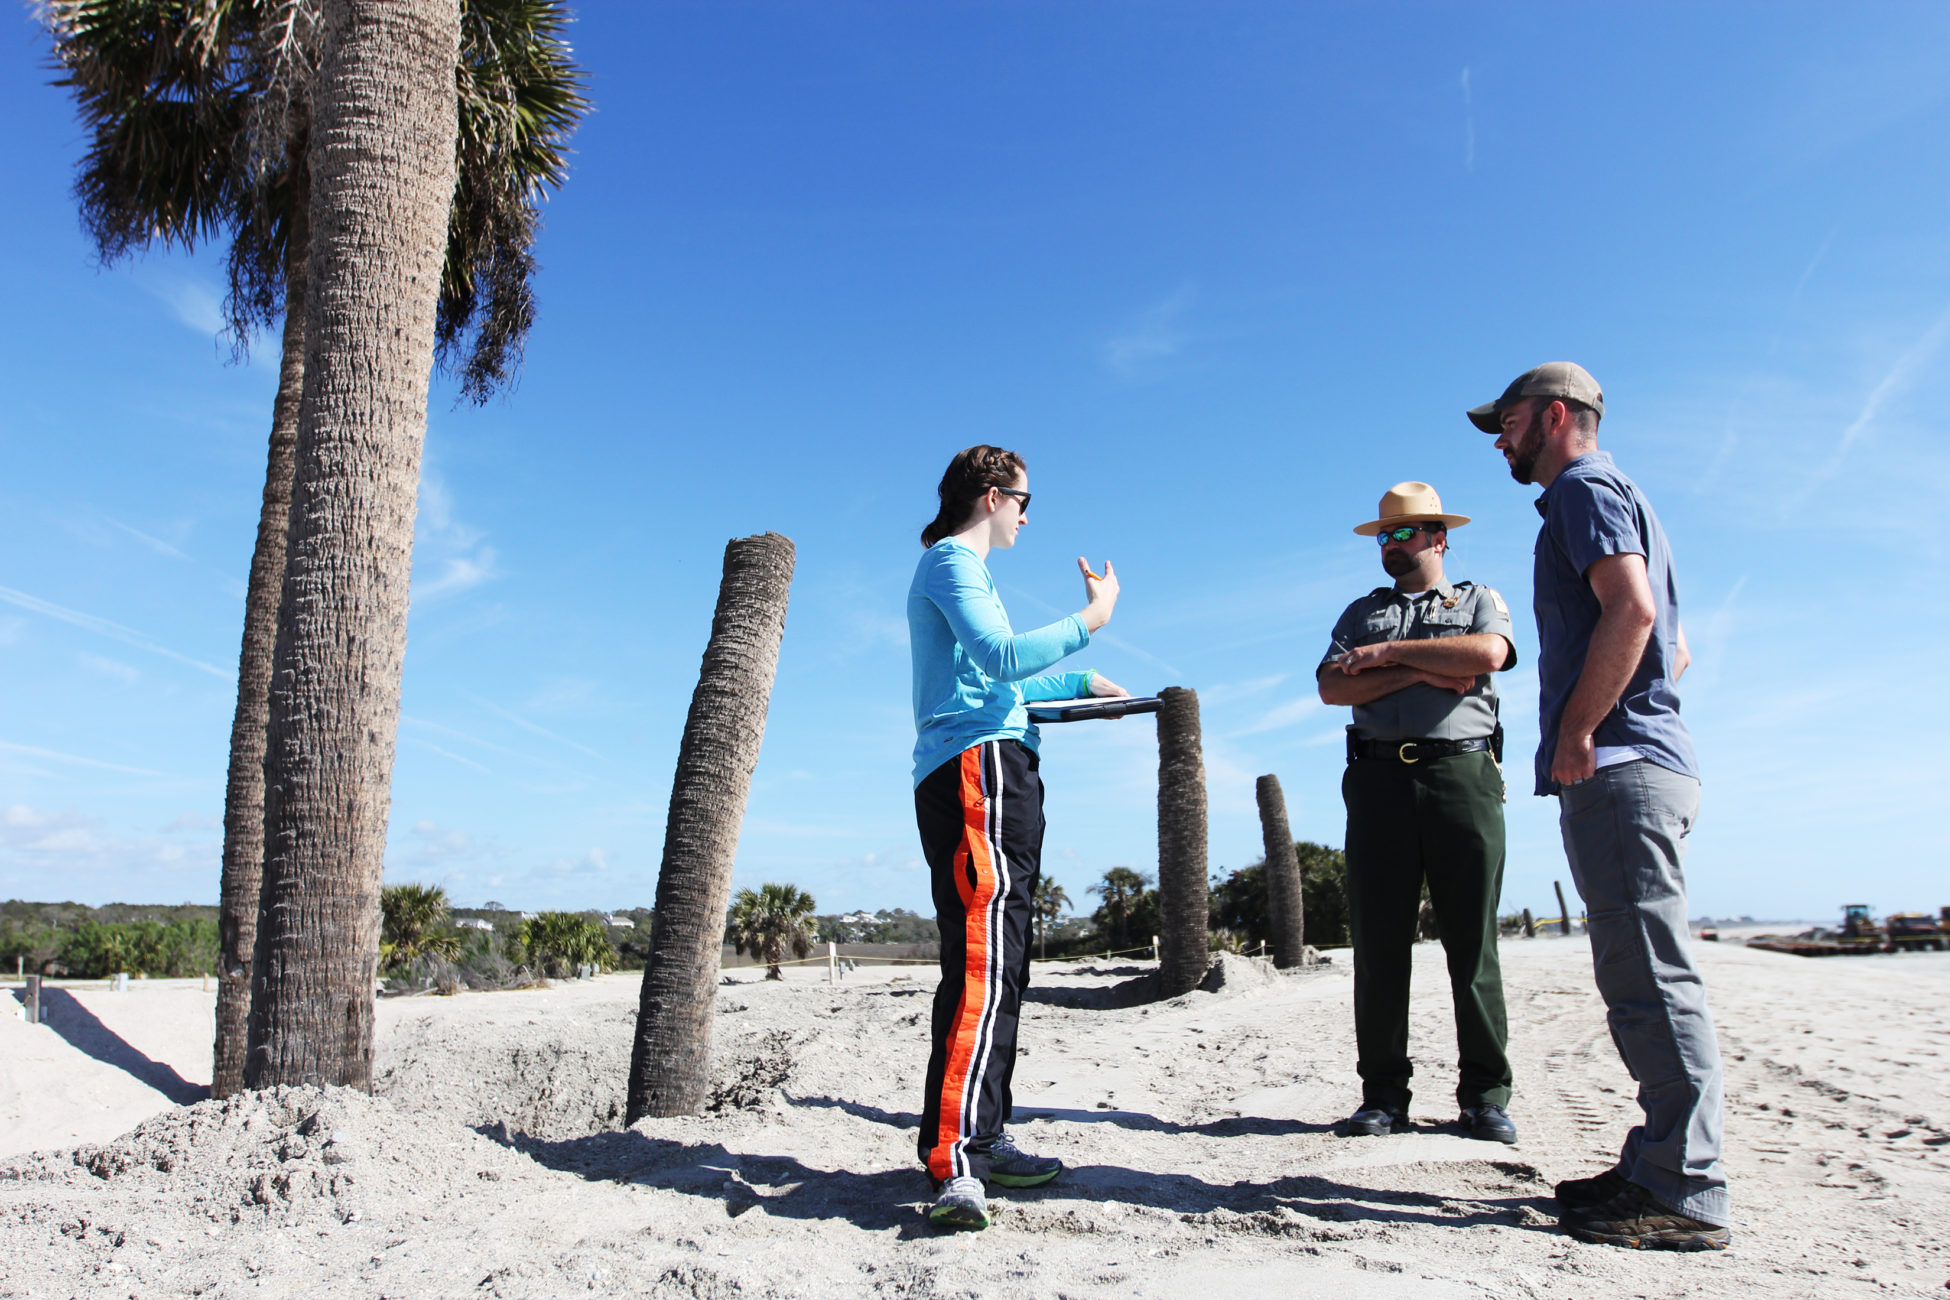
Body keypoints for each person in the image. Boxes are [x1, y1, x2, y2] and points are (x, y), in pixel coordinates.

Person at [1469, 362, 1728, 1251]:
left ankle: (1685, 1190)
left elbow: (1636, 614)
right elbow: (1676, 646)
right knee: (1640, 978)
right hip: (1644, 759)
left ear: (1552, 417)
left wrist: (1583, 731)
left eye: (1504, 425)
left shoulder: (1584, 488)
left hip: (1620, 767)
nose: (1497, 442)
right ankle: (1659, 1162)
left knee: (1650, 983)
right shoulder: (1620, 497)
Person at [907, 444, 1127, 1232]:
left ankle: (982, 1137)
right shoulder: (951, 564)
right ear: (993, 495)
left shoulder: (967, 573)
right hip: (977, 770)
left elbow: (994, 678)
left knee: (1001, 963)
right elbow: (1000, 658)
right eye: (1025, 501)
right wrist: (1093, 621)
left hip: (992, 765)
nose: (1029, 516)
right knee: (983, 964)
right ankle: (957, 1159)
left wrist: (1076, 682)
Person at [1317, 481, 1520, 1145]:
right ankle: (1383, 1097)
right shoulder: (1359, 613)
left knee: (1473, 944)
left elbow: (1488, 655)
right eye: (1384, 535)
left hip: (1461, 774)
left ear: (1439, 537)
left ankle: (1485, 1097)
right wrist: (1427, 666)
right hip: (1376, 779)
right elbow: (1330, 687)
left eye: (1404, 534)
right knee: (1378, 946)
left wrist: (1389, 656)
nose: (1392, 545)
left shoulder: (1477, 600)